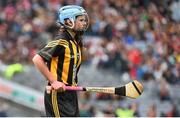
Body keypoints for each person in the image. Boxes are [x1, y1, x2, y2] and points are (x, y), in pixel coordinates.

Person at [32, 5, 89, 117]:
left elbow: (80, 61)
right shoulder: (61, 41)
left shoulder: (75, 42)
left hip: (71, 92)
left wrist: (81, 47)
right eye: (81, 20)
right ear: (69, 21)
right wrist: (53, 81)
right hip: (58, 93)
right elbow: (37, 59)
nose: (85, 23)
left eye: (84, 20)